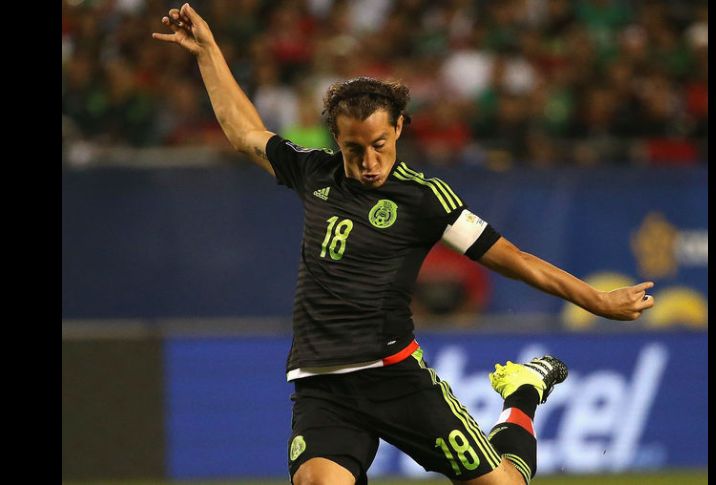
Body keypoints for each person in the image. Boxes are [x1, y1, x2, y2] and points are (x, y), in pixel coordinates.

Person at [152, 5, 655, 484]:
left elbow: (516, 260)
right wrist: (207, 53)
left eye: (379, 146)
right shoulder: (313, 172)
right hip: (322, 384)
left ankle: (523, 391)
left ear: (398, 129)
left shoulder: (424, 199)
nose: (369, 162)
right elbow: (245, 133)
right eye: (354, 150)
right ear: (335, 139)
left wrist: (599, 300)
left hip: (396, 380)